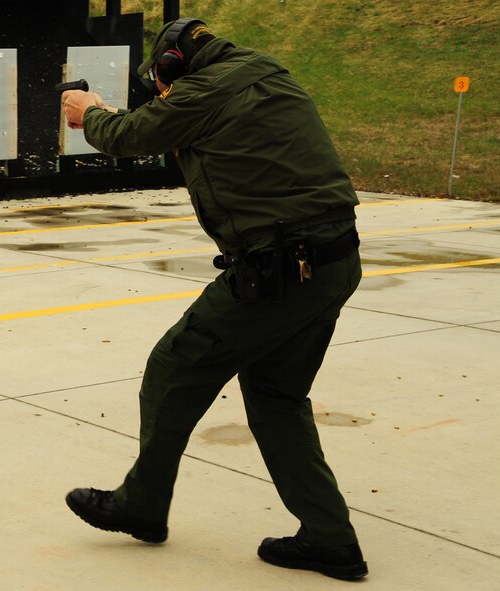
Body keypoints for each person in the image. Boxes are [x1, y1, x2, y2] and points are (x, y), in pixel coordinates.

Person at [61, 17, 368, 581]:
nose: (164, 91)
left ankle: (141, 505)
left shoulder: (203, 90)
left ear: (175, 65)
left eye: (163, 80)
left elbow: (127, 136)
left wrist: (89, 113)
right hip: (331, 260)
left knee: (174, 366)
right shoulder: (265, 70)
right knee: (277, 396)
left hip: (280, 268)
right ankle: (330, 538)